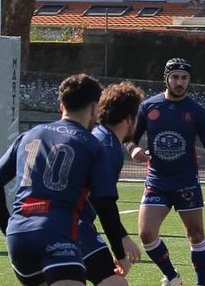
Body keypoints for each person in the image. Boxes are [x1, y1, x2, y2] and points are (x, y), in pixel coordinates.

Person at [0, 73, 129, 286]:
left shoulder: (30, 134)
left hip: (19, 236)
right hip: (56, 233)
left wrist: (9, 228)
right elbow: (104, 203)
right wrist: (120, 252)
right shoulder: (93, 145)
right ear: (94, 108)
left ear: (62, 106)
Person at [126, 58, 205, 286]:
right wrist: (134, 148)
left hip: (186, 182)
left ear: (189, 80)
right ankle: (172, 277)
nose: (180, 82)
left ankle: (201, 283)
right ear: (166, 78)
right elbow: (129, 137)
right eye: (175, 77)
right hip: (157, 181)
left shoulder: (196, 111)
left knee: (196, 235)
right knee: (146, 234)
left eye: (184, 78)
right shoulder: (148, 106)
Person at [89, 81, 151, 284]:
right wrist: (121, 244)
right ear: (129, 119)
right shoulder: (108, 147)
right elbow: (103, 203)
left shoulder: (96, 135)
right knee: (116, 283)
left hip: (34, 227)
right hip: (69, 226)